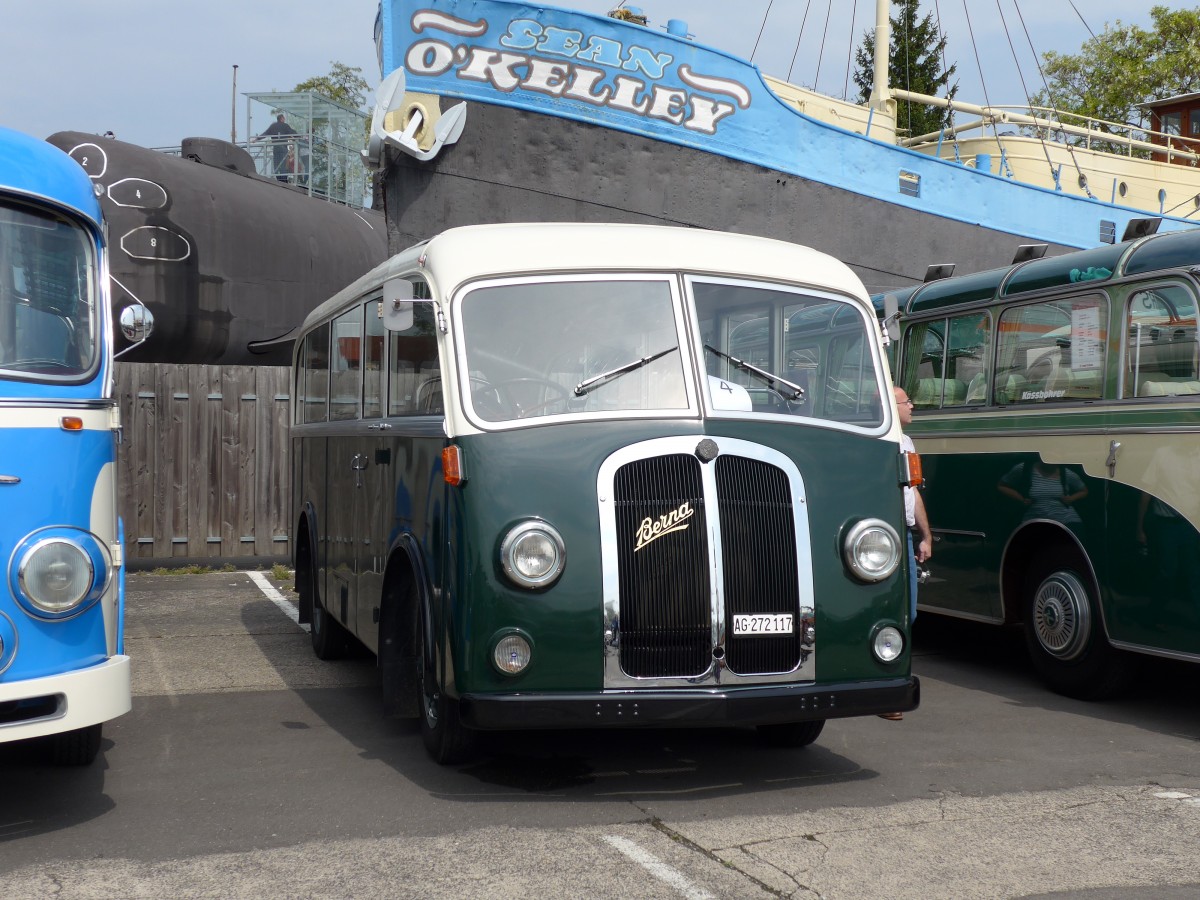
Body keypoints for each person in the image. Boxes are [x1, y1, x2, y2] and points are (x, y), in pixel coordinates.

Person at [881, 386, 931, 721]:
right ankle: (889, 689)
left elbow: (913, 494)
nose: (912, 405)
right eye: (905, 402)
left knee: (908, 613)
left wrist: (926, 535)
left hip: (906, 533)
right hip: (882, 536)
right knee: (887, 611)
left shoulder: (908, 444)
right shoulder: (876, 441)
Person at [257, 113, 297, 182]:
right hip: (283, 147)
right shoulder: (285, 126)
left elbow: (265, 133)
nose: (284, 120)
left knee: (276, 164)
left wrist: (257, 139)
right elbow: (292, 132)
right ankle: (284, 180)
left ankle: (278, 178)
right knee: (283, 164)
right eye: (284, 118)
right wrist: (299, 137)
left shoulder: (273, 126)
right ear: (282, 118)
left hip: (276, 148)